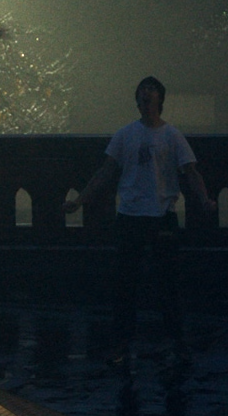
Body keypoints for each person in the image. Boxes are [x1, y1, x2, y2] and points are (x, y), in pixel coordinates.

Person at [63, 76, 216, 360]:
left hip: (161, 215)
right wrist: (81, 200)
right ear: (137, 101)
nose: (146, 97)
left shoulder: (172, 136)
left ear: (160, 99)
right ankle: (122, 342)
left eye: (151, 92)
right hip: (130, 215)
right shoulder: (125, 135)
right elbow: (106, 171)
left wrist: (204, 199)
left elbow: (191, 172)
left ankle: (175, 341)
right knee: (124, 285)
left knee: (168, 284)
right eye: (142, 93)